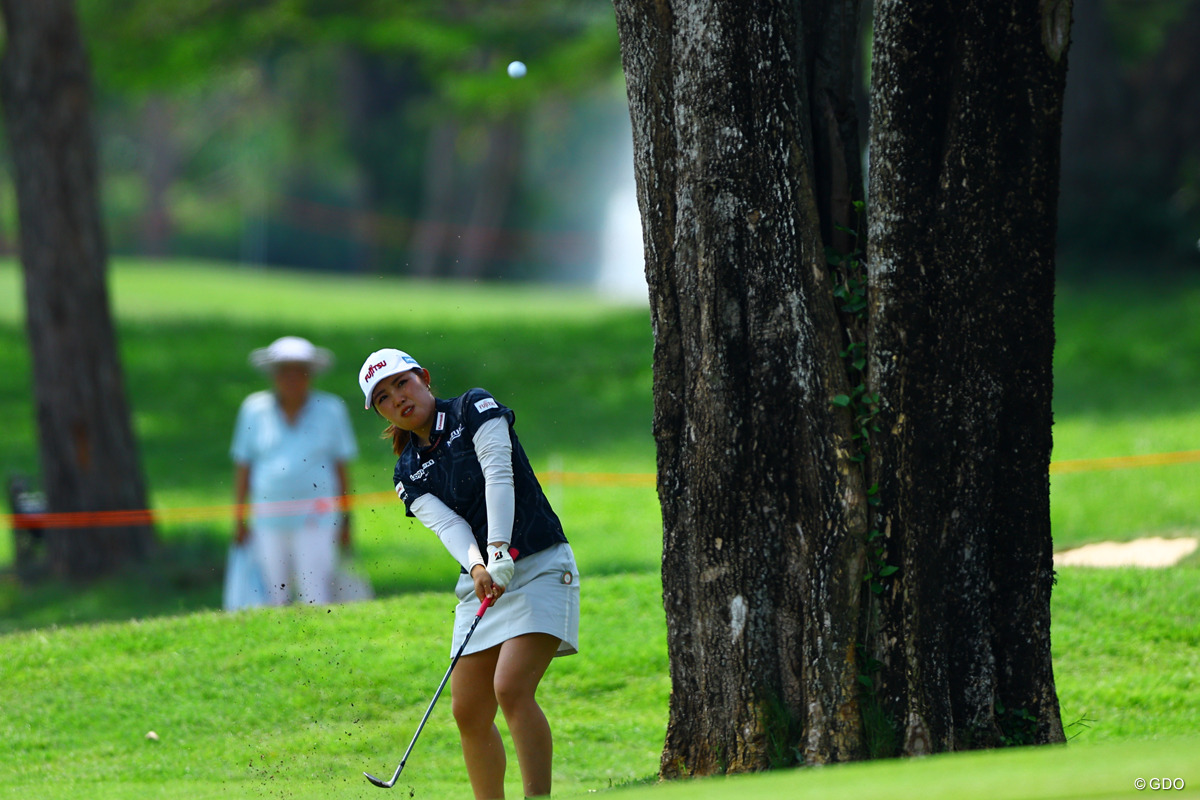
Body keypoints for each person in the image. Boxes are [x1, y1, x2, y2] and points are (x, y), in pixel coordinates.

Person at [358, 348, 579, 800]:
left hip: (538, 563)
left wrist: (498, 550)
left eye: (402, 383)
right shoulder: (407, 470)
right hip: (484, 583)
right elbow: (448, 525)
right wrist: (480, 565)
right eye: (382, 398)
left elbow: (499, 474)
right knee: (469, 712)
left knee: (511, 688)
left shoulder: (473, 408)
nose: (397, 399)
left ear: (423, 378)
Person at [231, 336, 358, 606]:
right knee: (271, 591)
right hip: (267, 515)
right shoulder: (254, 409)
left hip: (317, 514)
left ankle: (317, 640)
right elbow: (243, 466)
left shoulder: (331, 409)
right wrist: (239, 517)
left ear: (309, 375)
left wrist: (347, 519)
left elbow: (341, 468)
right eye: (284, 371)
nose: (291, 379)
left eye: (298, 371)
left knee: (315, 590)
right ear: (273, 375)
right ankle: (277, 642)